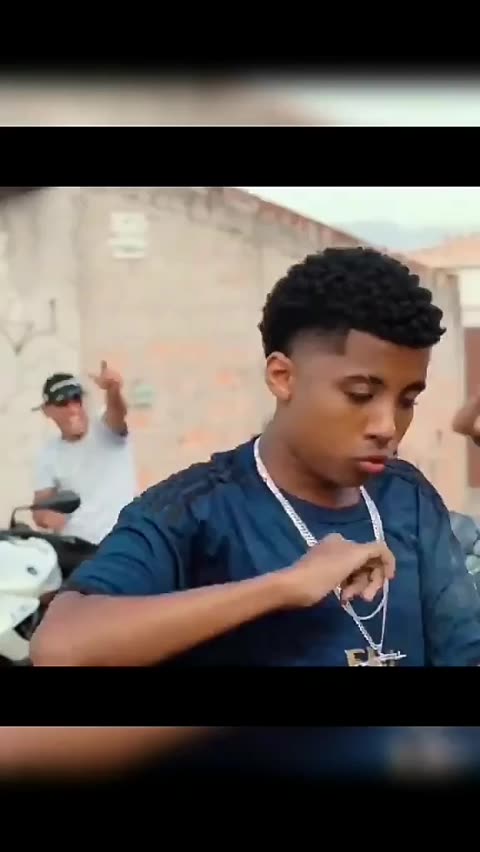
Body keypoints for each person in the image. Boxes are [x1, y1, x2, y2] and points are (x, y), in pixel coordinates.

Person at [31, 247, 480, 668]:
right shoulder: (192, 511)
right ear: (282, 377)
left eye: (407, 400)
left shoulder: (407, 497)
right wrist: (283, 587)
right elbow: (59, 647)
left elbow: (463, 647)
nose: (387, 425)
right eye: (360, 394)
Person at [32, 362, 137, 546]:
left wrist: (113, 390)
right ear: (48, 411)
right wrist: (46, 517)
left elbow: (118, 414)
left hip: (122, 542)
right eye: (63, 403)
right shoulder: (49, 454)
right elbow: (40, 506)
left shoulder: (105, 428)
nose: (73, 408)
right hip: (78, 549)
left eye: (76, 398)